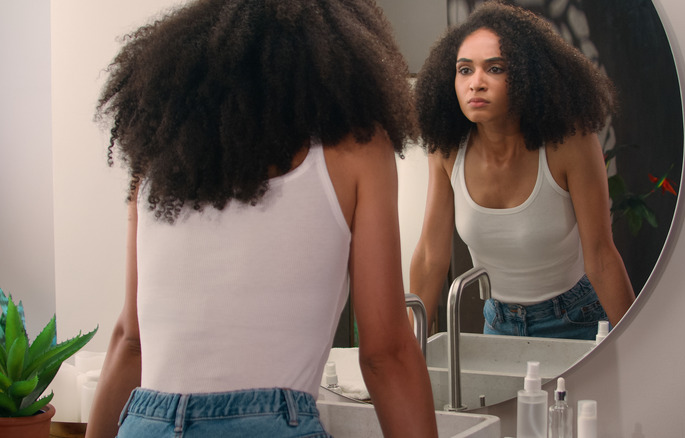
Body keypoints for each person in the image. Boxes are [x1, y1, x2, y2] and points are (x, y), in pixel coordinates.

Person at [85, 1, 437, 437]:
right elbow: (386, 354)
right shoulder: (356, 151)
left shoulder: (156, 160)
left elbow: (130, 342)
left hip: (146, 422)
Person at [410, 2, 635, 339]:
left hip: (578, 319)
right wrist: (409, 348)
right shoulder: (447, 149)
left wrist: (639, 344)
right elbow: (430, 256)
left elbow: (602, 257)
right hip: (498, 323)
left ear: (529, 76)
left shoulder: (570, 143)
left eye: (495, 68)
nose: (476, 83)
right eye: (465, 69)